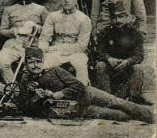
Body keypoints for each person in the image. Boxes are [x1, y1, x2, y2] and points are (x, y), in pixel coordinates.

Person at [16, 46, 152, 123]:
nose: (35, 66)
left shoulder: (55, 70)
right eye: (31, 62)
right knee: (118, 116)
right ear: (26, 64)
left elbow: (79, 85)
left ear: (42, 62)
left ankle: (151, 117)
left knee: (117, 102)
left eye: (38, 62)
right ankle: (136, 117)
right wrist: (36, 99)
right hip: (77, 109)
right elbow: (23, 107)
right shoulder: (25, 81)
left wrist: (59, 94)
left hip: (87, 94)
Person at [0, 0, 48, 83]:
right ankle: (14, 90)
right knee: (2, 61)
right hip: (14, 44)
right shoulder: (9, 10)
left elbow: (49, 30)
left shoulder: (41, 9)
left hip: (34, 45)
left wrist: (37, 28)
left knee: (34, 68)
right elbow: (2, 31)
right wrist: (15, 31)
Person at [39, 0, 92, 85]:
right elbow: (44, 37)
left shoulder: (84, 19)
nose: (66, 1)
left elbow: (82, 46)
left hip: (76, 52)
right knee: (44, 66)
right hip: (55, 50)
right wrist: (43, 48)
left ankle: (83, 93)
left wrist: (60, 49)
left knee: (81, 66)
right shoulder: (53, 16)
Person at [95, 1, 148, 103]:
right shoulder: (105, 33)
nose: (118, 20)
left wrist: (128, 61)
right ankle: (106, 98)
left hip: (127, 68)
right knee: (100, 65)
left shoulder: (135, 33)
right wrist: (108, 58)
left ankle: (133, 98)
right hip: (110, 67)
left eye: (121, 17)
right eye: (114, 17)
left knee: (138, 68)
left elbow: (139, 55)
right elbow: (99, 52)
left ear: (127, 17)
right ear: (110, 19)